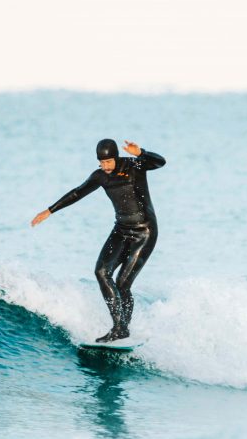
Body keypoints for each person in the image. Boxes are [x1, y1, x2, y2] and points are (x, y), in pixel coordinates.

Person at [32, 139, 166, 343]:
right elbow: (78, 192)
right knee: (101, 272)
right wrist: (50, 211)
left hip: (144, 231)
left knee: (123, 283)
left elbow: (160, 162)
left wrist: (141, 153)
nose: (105, 166)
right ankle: (120, 327)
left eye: (108, 162)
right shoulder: (101, 176)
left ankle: (122, 328)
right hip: (121, 230)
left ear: (116, 157)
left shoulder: (135, 166)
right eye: (101, 162)